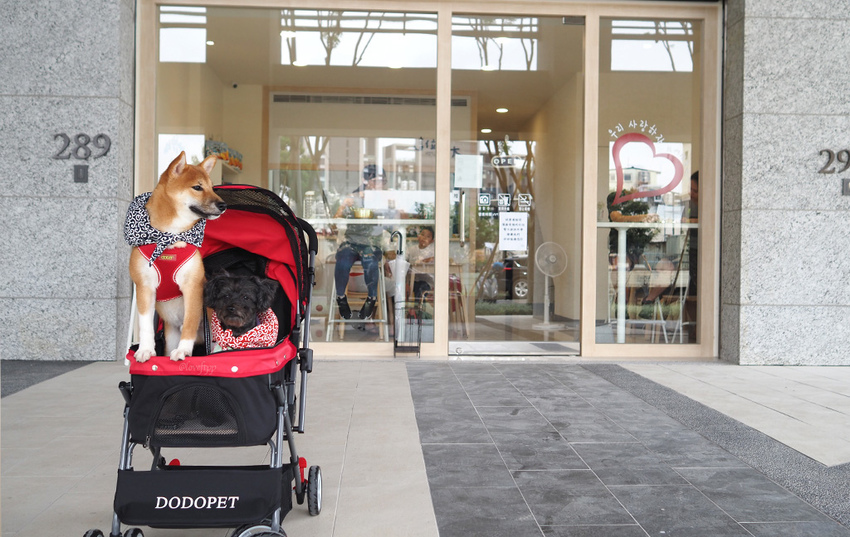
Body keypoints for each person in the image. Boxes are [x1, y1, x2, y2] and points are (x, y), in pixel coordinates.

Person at [334, 166, 388, 320]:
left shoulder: (384, 198)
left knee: (370, 261)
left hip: (372, 242)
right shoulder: (354, 197)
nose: (381, 184)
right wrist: (345, 205)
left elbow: (396, 218)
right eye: (378, 180)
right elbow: (336, 217)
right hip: (351, 241)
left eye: (383, 181)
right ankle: (340, 297)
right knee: (343, 262)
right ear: (367, 181)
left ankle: (371, 298)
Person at [407, 226, 435, 300]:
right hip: (412, 280)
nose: (424, 238)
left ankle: (418, 309)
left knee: (421, 289)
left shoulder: (433, 251)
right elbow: (405, 260)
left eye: (428, 236)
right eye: (422, 235)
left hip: (427, 281)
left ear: (432, 240)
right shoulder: (411, 249)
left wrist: (426, 260)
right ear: (418, 236)